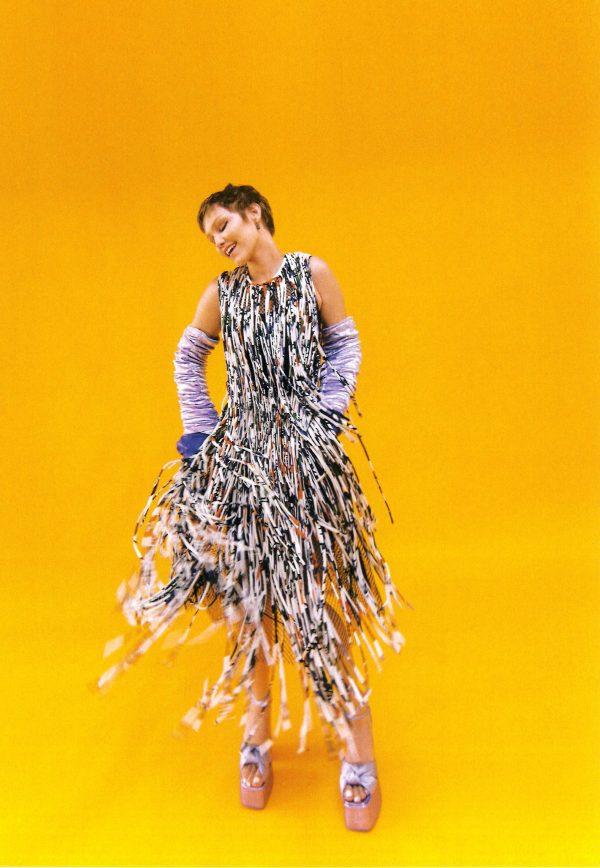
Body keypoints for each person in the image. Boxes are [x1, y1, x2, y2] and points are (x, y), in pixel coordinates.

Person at [93, 183, 412, 832]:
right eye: (210, 235)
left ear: (255, 215)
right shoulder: (222, 293)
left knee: (323, 603)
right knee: (247, 605)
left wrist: (324, 418)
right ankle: (256, 733)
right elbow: (188, 359)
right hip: (239, 463)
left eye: (224, 225)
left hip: (306, 468)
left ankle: (357, 749)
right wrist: (201, 435)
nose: (219, 240)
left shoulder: (311, 273)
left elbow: (345, 344)